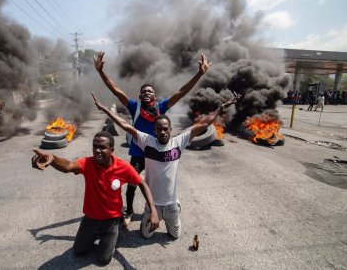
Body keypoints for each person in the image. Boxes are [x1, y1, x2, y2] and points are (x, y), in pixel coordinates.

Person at [91, 92, 238, 239]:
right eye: (159, 129)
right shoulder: (146, 141)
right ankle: (150, 215)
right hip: (153, 205)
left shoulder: (179, 142)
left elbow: (204, 123)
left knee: (175, 235)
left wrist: (221, 107)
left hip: (171, 204)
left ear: (170, 130)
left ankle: (175, 212)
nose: (162, 132)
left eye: (165, 129)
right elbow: (125, 125)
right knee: (146, 235)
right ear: (155, 131)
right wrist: (105, 109)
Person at [93, 51, 210, 226]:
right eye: (144, 91)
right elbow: (116, 91)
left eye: (150, 91)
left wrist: (199, 74)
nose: (147, 93)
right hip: (140, 153)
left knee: (161, 184)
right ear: (140, 97)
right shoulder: (135, 107)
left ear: (155, 96)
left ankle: (167, 207)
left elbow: (181, 92)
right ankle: (129, 211)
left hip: (158, 153)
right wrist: (101, 72)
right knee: (132, 184)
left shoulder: (161, 107)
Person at [31, 131, 159, 266]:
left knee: (103, 260)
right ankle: (98, 234)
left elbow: (142, 184)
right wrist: (52, 159)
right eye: (95, 146)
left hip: (111, 219)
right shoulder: (87, 163)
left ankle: (115, 230)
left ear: (112, 150)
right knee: (78, 252)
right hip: (91, 217)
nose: (97, 151)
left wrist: (153, 211)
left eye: (102, 147)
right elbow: (68, 166)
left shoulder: (123, 167)